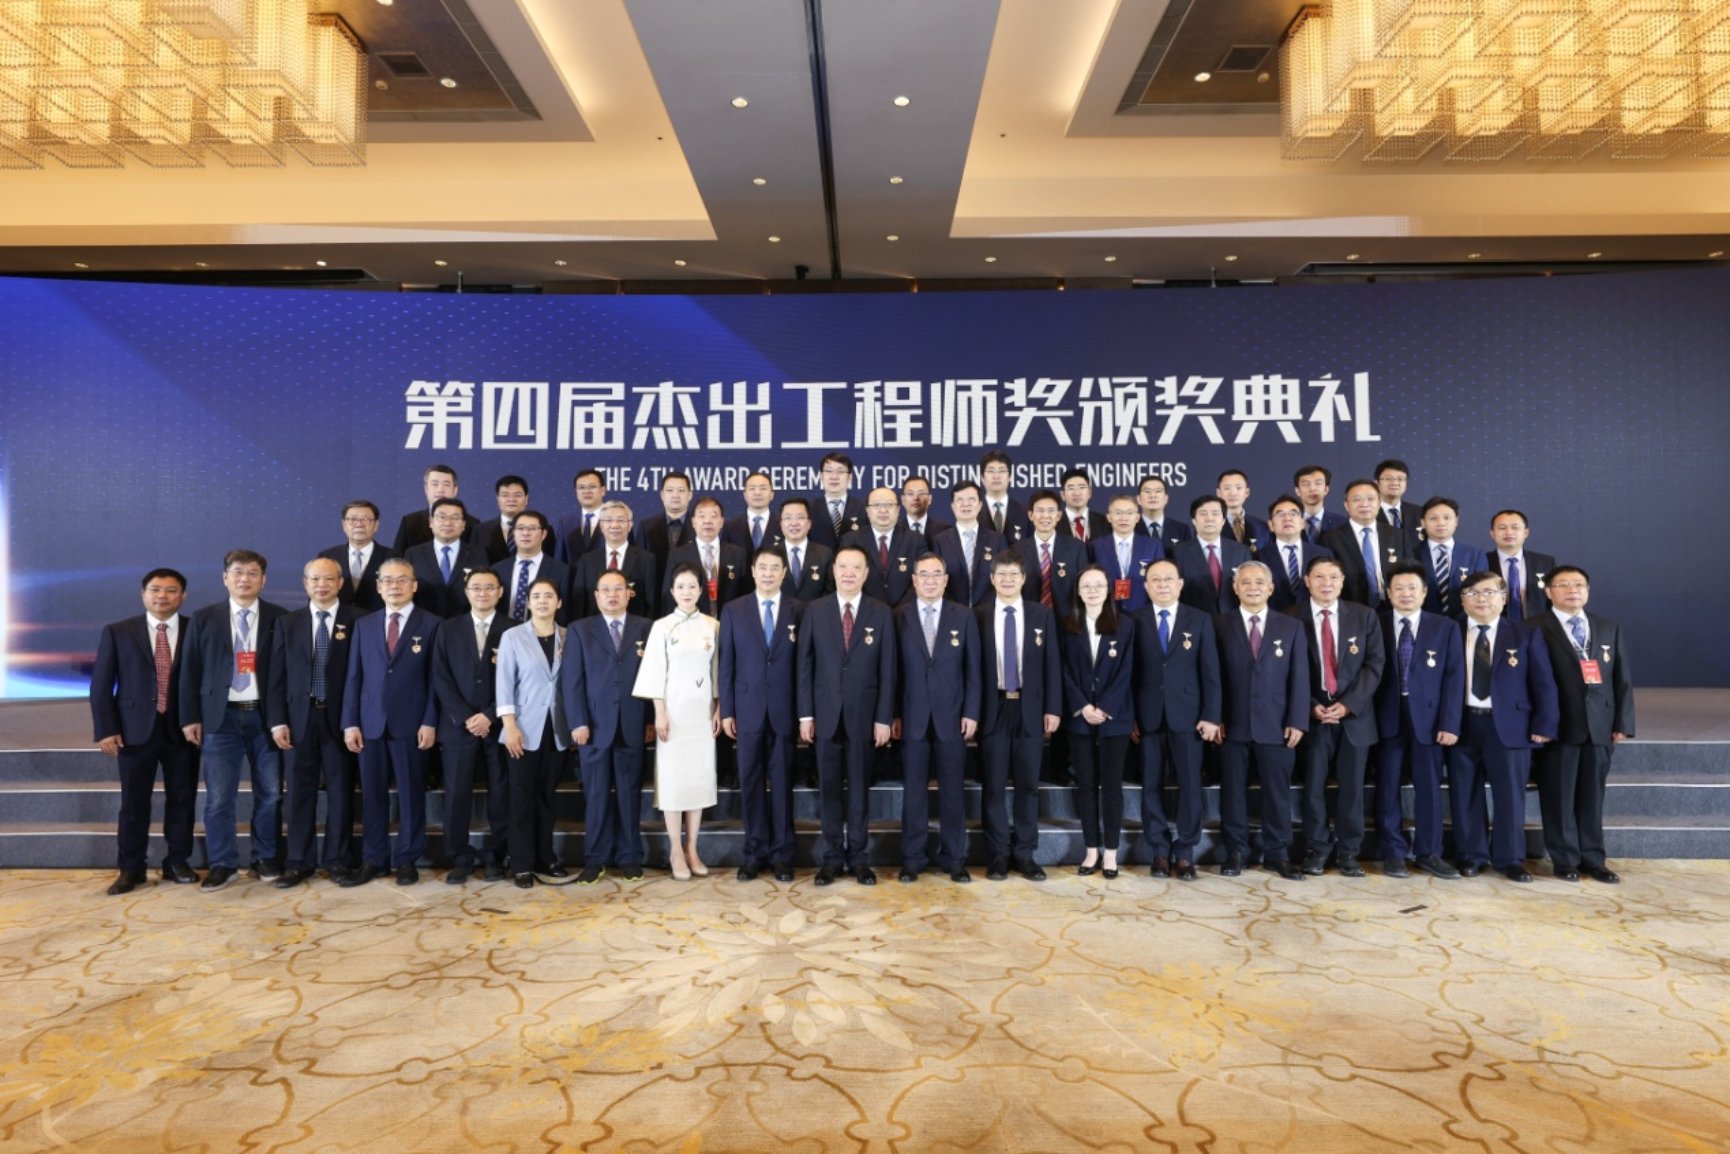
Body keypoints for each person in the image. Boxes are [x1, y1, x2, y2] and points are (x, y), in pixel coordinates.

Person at [179, 549, 289, 890]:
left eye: (253, 573)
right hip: (220, 719)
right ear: (225, 578)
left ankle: (265, 856)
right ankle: (222, 863)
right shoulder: (204, 617)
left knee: (270, 794)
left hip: (265, 717)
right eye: (238, 572)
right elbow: (190, 670)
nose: (245, 579)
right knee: (219, 797)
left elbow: (287, 674)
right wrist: (190, 717)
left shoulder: (280, 618)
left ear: (263, 580)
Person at [91, 567, 198, 894]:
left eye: (171, 590)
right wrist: (106, 728)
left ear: (183, 595)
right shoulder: (118, 631)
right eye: (155, 590)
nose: (162, 596)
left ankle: (177, 862)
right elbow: (101, 684)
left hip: (183, 730)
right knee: (133, 803)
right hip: (134, 730)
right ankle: (131, 868)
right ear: (143, 594)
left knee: (182, 799)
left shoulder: (196, 629)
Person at [1448, 570, 1559, 883]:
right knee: (1464, 793)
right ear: (1463, 600)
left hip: (1511, 726)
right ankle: (1471, 855)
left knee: (1510, 795)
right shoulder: (1449, 631)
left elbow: (1544, 683)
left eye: (1489, 592)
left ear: (1503, 597)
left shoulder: (1524, 634)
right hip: (1462, 723)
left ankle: (1509, 859)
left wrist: (1545, 723)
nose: (1481, 599)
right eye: (1473, 593)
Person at [797, 545, 896, 884]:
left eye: (856, 567)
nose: (849, 573)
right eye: (843, 566)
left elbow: (888, 670)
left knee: (858, 790)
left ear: (866, 574)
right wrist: (805, 715)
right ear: (834, 571)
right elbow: (805, 666)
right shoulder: (815, 610)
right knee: (828, 790)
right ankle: (831, 858)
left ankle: (858, 857)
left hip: (864, 718)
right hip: (824, 716)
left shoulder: (881, 612)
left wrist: (884, 718)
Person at [1530, 565, 1635, 884]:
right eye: (1563, 585)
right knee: (1558, 797)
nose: (1572, 590)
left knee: (1592, 797)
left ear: (1588, 591)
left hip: (1600, 726)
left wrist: (1623, 722)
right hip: (1557, 727)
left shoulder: (1607, 626)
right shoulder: (1533, 627)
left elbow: (1621, 678)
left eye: (1578, 584)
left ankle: (1594, 859)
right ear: (1549, 592)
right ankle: (1565, 860)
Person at [340, 557, 441, 886]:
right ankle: (374, 860)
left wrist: (429, 721)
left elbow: (435, 680)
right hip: (370, 723)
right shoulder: (364, 625)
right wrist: (350, 722)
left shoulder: (432, 624)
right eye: (387, 580)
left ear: (414, 585)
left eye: (402, 580)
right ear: (378, 586)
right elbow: (354, 677)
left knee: (411, 794)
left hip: (412, 725)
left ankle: (408, 859)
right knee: (372, 796)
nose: (394, 586)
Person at [266, 558, 361, 887]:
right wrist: (277, 722)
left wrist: (354, 720)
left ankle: (339, 860)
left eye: (329, 579)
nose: (322, 585)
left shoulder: (359, 620)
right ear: (305, 583)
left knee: (341, 793)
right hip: (298, 721)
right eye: (315, 579)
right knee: (298, 794)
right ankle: (298, 862)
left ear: (340, 583)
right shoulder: (287, 623)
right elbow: (276, 677)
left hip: (340, 722)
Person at [1288, 556, 1383, 877]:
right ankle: (1316, 848)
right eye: (1319, 577)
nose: (1326, 583)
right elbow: (1288, 670)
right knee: (1313, 787)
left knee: (1352, 788)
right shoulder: (1289, 617)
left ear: (1342, 581)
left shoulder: (1364, 616)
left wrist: (1349, 704)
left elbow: (1374, 665)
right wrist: (1310, 704)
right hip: (1313, 717)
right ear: (1307, 581)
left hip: (1355, 718)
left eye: (1333, 577)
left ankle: (1348, 851)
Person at [1215, 561, 1309, 879]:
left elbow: (1300, 677)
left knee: (1277, 792)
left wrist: (1297, 720)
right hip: (1232, 724)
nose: (1252, 587)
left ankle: (1278, 853)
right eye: (1245, 582)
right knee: (1233, 792)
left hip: (1277, 724)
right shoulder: (1219, 624)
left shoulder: (1290, 626)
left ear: (1270, 588)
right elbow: (1213, 677)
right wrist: (1215, 717)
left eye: (1259, 582)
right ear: (1235, 588)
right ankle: (1236, 851)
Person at [1371, 562, 1464, 879]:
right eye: (1398, 588)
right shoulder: (1375, 623)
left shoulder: (1445, 627)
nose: (1406, 594)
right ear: (1388, 593)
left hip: (1430, 720)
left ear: (1424, 593)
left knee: (1429, 788)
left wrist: (1450, 723)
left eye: (1412, 588)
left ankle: (1429, 852)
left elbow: (1454, 677)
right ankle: (1393, 853)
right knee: (1387, 787)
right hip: (1386, 716)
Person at [892, 553, 981, 883]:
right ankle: (912, 858)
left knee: (952, 791)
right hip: (911, 717)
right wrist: (893, 714)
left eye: (936, 575)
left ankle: (954, 858)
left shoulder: (964, 616)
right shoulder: (898, 616)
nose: (930, 581)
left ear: (946, 580)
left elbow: (973, 670)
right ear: (914, 580)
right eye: (924, 575)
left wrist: (971, 711)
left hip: (952, 717)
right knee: (914, 791)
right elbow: (892, 672)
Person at [1131, 560, 1221, 880]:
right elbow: (1129, 675)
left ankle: (1184, 853)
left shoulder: (1199, 619)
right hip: (1148, 717)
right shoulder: (1134, 621)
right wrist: (1130, 716)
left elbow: (1211, 673)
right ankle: (1159, 850)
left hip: (1189, 717)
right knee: (1150, 785)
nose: (1163, 585)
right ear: (1146, 586)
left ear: (1180, 584)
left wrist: (1212, 716)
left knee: (1190, 786)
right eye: (1156, 580)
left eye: (1169, 579)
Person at [719, 548, 804, 882]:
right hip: (747, 709)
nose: (768, 573)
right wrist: (727, 709)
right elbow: (726, 664)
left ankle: (783, 855)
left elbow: (803, 667)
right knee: (751, 783)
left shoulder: (799, 609)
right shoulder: (734, 609)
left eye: (775, 568)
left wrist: (803, 713)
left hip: (784, 710)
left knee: (782, 784)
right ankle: (754, 853)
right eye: (763, 567)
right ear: (753, 571)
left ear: (784, 573)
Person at [563, 569, 654, 883]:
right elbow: (571, 681)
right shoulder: (579, 629)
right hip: (593, 727)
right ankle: (596, 858)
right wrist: (577, 721)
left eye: (618, 589)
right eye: (606, 590)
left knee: (629, 794)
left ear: (629, 593)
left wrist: (650, 719)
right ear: (596, 595)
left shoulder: (646, 627)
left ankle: (630, 857)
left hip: (633, 723)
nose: (612, 595)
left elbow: (655, 677)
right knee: (597, 794)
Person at [974, 553, 1061, 881]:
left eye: (1014, 574)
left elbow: (1053, 663)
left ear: (1024, 579)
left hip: (1030, 709)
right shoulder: (978, 615)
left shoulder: (1042, 614)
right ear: (992, 579)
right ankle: (998, 853)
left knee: (1028, 785)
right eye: (1001, 574)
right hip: (993, 709)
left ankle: (1025, 853)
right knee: (994, 785)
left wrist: (1053, 708)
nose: (1008, 580)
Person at [634, 563, 721, 880]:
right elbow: (655, 672)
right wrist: (659, 713)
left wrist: (718, 708)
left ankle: (692, 848)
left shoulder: (712, 625)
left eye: (692, 586)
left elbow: (717, 672)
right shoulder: (662, 627)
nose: (687, 592)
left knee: (698, 780)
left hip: (702, 715)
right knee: (673, 782)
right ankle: (674, 849)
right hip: (672, 714)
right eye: (680, 586)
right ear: (672, 591)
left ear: (701, 590)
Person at [430, 568, 514, 884]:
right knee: (456, 793)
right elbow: (440, 677)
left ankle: (496, 855)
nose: (482, 593)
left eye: (489, 587)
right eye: (476, 587)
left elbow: (518, 679)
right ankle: (459, 856)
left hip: (499, 725)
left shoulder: (513, 629)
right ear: (466, 593)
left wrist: (490, 715)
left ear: (500, 592)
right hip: (458, 727)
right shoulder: (447, 628)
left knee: (501, 793)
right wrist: (466, 716)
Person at [1061, 565, 1136, 879]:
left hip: (1114, 717)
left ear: (1109, 590)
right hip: (1080, 717)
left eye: (1099, 585)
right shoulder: (1068, 625)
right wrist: (1082, 706)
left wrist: (1104, 707)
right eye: (1086, 586)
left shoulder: (1126, 625)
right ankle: (1091, 849)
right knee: (1086, 785)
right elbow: (1063, 669)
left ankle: (1111, 853)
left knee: (1112, 786)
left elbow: (1127, 670)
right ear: (1078, 592)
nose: (1092, 591)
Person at [496, 577, 571, 887]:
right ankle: (522, 863)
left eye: (548, 596)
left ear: (559, 602)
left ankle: (546, 857)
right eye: (536, 596)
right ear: (527, 603)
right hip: (523, 730)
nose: (542, 601)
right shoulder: (513, 636)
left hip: (558, 730)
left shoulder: (569, 636)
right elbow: (504, 683)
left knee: (547, 797)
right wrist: (509, 725)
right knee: (521, 797)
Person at [1320, 479, 1410, 609]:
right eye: (1357, 500)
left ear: (1379, 503)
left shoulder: (1398, 535)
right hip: (1352, 609)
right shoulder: (1330, 539)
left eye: (1370, 499)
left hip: (1394, 607)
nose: (1364, 504)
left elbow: (1409, 572)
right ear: (1346, 505)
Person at [569, 500, 659, 620]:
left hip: (634, 627)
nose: (614, 525)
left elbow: (651, 603)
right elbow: (579, 604)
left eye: (620, 520)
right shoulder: (587, 560)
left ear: (630, 525)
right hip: (594, 627)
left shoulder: (646, 559)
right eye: (609, 520)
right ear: (601, 526)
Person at [664, 496, 751, 617]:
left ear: (722, 522)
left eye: (713, 516)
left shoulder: (738, 554)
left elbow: (746, 595)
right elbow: (668, 596)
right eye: (702, 516)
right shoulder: (678, 555)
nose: (707, 521)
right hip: (690, 621)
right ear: (693, 522)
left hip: (730, 621)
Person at [406, 497, 492, 620]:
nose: (448, 523)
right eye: (442, 517)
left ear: (463, 524)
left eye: (455, 518)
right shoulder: (413, 554)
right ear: (431, 522)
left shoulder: (478, 554)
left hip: (464, 623)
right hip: (424, 623)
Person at [841, 486, 926, 608]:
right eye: (876, 505)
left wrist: (902, 609)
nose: (883, 510)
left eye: (889, 505)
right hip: (865, 610)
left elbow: (922, 578)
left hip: (906, 611)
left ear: (898, 509)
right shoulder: (851, 540)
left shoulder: (916, 541)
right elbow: (846, 578)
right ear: (867, 510)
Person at [1171, 495, 1249, 617]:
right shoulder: (1179, 552)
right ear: (1194, 520)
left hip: (1234, 620)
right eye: (1203, 514)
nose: (1209, 519)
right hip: (1194, 619)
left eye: (1215, 513)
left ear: (1223, 520)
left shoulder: (1241, 551)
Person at [1014, 489, 1087, 616]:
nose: (1045, 516)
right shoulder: (1016, 550)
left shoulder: (1076, 548)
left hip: (1068, 619)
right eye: (1040, 510)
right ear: (1030, 515)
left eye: (1051, 511)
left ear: (1058, 516)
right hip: (1029, 618)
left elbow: (1084, 585)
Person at [1257, 494, 1334, 613]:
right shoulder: (1259, 556)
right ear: (1271, 525)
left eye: (1293, 514)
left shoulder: (1323, 554)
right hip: (1276, 618)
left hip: (1314, 618)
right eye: (1280, 514)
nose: (1287, 518)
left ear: (1302, 523)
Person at [933, 480, 1004, 607]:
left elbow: (1003, 577)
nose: (966, 504)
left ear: (980, 505)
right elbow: (936, 580)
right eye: (960, 500)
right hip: (952, 611)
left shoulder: (997, 540)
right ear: (953, 506)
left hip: (989, 611)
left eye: (971, 499)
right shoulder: (940, 541)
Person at [319, 500, 398, 614]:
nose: (359, 524)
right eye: (352, 519)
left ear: (376, 525)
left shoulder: (394, 557)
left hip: (377, 620)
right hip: (338, 620)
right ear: (344, 525)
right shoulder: (327, 557)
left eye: (365, 519)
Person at [1089, 493, 1163, 614]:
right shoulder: (1096, 546)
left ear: (1137, 517)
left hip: (1144, 612)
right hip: (1107, 612)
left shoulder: (1153, 546)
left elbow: (1159, 581)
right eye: (1118, 513)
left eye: (1129, 513)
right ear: (1109, 517)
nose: (1123, 518)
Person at [1418, 496, 1489, 621]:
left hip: (1465, 623)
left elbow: (1481, 591)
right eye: (1433, 518)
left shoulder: (1474, 555)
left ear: (1456, 521)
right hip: (1424, 623)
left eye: (1447, 518)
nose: (1441, 523)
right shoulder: (1411, 553)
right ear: (1423, 522)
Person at [493, 510, 570, 625]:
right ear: (513, 533)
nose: (525, 533)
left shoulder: (561, 571)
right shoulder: (497, 569)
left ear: (544, 534)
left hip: (542, 631)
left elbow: (564, 611)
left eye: (532, 528)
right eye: (520, 528)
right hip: (503, 632)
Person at [391, 463, 479, 553]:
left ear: (455, 490)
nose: (440, 489)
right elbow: (396, 558)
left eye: (446, 484)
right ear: (426, 489)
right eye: (435, 484)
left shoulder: (472, 524)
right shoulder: (410, 522)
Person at [1488, 508, 1556, 622]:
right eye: (1502, 528)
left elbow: (1554, 599)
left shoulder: (1545, 563)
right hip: (1496, 627)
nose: (1509, 532)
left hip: (1538, 627)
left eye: (1515, 527)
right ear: (1492, 534)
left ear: (1526, 533)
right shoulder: (1482, 561)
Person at [634, 471, 695, 575]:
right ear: (662, 495)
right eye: (670, 490)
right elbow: (639, 566)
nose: (675, 495)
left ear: (690, 495)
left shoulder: (699, 527)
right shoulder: (646, 527)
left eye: (681, 490)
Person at [778, 497, 834, 603]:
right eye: (788, 518)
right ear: (781, 524)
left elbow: (830, 591)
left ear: (809, 524)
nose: (794, 523)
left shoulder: (825, 554)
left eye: (800, 517)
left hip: (816, 612)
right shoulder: (771, 554)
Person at [807, 452, 867, 550]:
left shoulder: (863, 509)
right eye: (828, 471)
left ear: (850, 477)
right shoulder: (809, 509)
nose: (834, 477)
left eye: (840, 471)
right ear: (821, 476)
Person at [554, 468, 608, 563]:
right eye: (581, 488)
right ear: (576, 492)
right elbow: (560, 560)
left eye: (592, 486)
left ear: (603, 490)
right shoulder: (566, 522)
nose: (586, 491)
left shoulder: (617, 520)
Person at [478, 474, 532, 564]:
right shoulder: (480, 530)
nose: (511, 499)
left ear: (526, 499)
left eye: (517, 495)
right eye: (505, 495)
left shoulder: (543, 529)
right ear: (497, 499)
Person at [1374, 458, 1425, 553]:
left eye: (1400, 479)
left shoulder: (1419, 513)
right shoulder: (1368, 513)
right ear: (1377, 483)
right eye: (1388, 479)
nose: (1395, 483)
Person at [979, 450, 1030, 544]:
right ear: (982, 477)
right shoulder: (974, 511)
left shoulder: (1024, 512)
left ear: (1010, 477)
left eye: (1002, 471)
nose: (996, 476)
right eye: (991, 471)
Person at [722, 471, 779, 553]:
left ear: (772, 495)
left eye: (763, 488)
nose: (757, 493)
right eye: (752, 488)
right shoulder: (730, 527)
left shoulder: (782, 525)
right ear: (745, 495)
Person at [1135, 474, 1192, 552]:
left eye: (1158, 491)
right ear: (1138, 499)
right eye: (1147, 491)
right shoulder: (1130, 528)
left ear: (1166, 499)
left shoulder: (1182, 530)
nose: (1153, 495)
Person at [1216, 469, 1268, 550]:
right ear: (1218, 493)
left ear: (1247, 492)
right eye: (1227, 488)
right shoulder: (1212, 524)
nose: (1233, 493)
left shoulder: (1261, 527)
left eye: (1238, 488)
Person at [1294, 464, 1348, 541]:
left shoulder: (1342, 523)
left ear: (1326, 489)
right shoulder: (1290, 522)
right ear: (1297, 491)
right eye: (1306, 484)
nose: (1312, 488)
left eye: (1318, 483)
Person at [1056, 467, 1109, 544]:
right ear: (1062, 495)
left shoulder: (1105, 522)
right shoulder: (1054, 523)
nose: (1077, 493)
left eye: (1082, 487)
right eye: (1071, 488)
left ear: (1089, 493)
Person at [900, 473, 951, 539]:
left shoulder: (945, 531)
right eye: (910, 493)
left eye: (921, 493)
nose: (916, 498)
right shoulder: (894, 530)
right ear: (903, 499)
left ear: (930, 499)